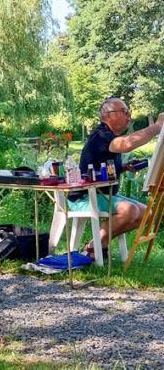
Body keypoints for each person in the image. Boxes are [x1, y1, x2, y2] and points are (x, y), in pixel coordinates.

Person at [68, 98, 164, 258]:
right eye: (124, 112)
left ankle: (99, 244)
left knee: (146, 213)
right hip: (84, 197)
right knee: (129, 210)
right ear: (108, 115)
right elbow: (127, 144)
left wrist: (123, 167)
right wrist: (157, 127)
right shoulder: (101, 135)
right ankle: (93, 248)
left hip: (102, 194)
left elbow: (103, 167)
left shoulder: (109, 136)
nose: (129, 116)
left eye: (129, 112)